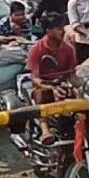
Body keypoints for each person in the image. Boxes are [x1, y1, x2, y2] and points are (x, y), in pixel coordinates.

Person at [27, 12, 80, 143]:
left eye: (62, 28)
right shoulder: (37, 49)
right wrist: (51, 88)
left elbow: (72, 74)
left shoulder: (69, 49)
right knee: (42, 95)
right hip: (44, 85)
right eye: (58, 29)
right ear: (48, 31)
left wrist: (81, 87)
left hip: (63, 84)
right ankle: (45, 130)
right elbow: (35, 78)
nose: (62, 31)